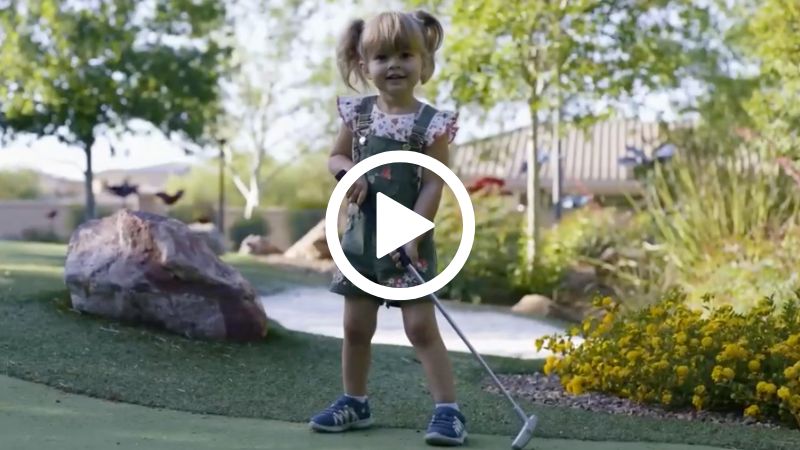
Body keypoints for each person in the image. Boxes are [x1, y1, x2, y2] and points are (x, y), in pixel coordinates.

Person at [308, 9, 466, 447]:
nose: (393, 64)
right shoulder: (356, 114)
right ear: (364, 66)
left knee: (420, 328)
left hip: (407, 239)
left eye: (404, 55)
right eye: (381, 57)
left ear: (424, 61)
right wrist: (349, 174)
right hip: (360, 239)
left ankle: (448, 411)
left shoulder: (431, 124)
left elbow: (435, 180)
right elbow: (336, 158)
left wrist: (415, 232)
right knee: (356, 327)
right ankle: (354, 402)